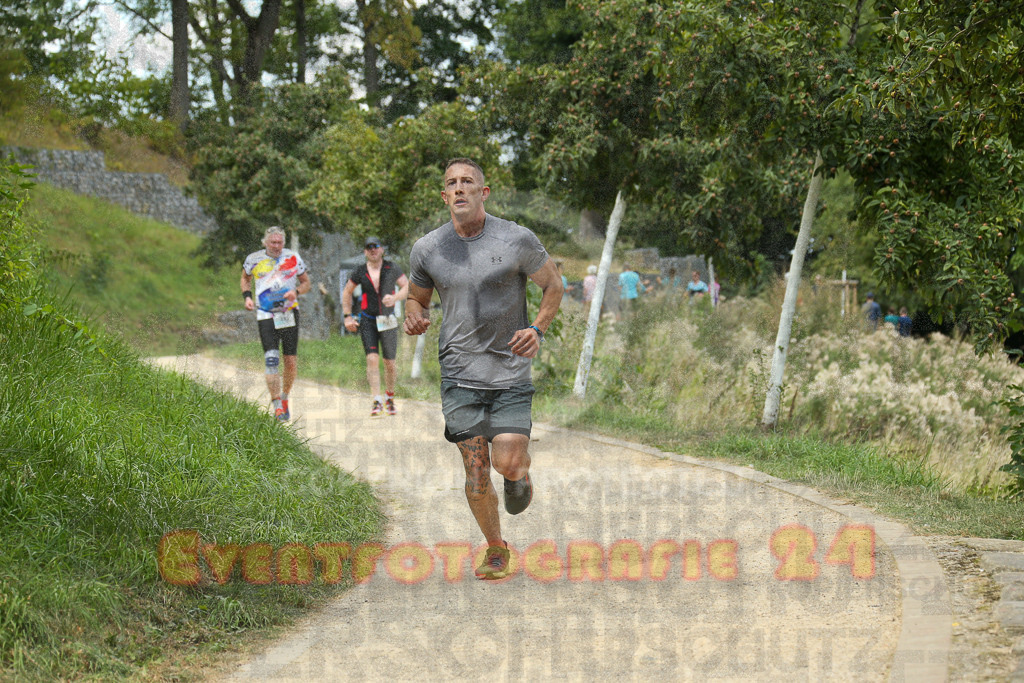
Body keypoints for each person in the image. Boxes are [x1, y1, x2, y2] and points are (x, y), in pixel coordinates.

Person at [404, 158, 563, 580]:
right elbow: (416, 298)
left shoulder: (516, 239)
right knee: (475, 467)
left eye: (467, 182)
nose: (459, 189)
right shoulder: (428, 249)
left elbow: (552, 284)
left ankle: (518, 475)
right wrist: (414, 313)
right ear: (444, 196)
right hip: (459, 374)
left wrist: (537, 328)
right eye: (451, 184)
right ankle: (496, 548)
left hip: (509, 371)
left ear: (483, 193)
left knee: (506, 462)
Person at [241, 226, 312, 421]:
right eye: (273, 242)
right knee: (271, 359)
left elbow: (306, 283)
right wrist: (247, 297)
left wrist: (296, 292)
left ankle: (285, 396)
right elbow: (245, 280)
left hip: (289, 313)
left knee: (290, 361)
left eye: (280, 242)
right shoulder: (253, 259)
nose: (277, 246)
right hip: (266, 314)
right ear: (265, 242)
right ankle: (277, 405)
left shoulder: (293, 257)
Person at [342, 236, 409, 417]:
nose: (373, 250)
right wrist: (348, 316)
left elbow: (406, 287)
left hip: (387, 320)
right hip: (368, 320)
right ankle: (376, 400)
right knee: (372, 359)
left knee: (390, 363)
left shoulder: (392, 267)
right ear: (365, 251)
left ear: (381, 250)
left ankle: (390, 397)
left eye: (376, 246)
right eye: (369, 247)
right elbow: (347, 292)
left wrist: (395, 298)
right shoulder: (360, 271)